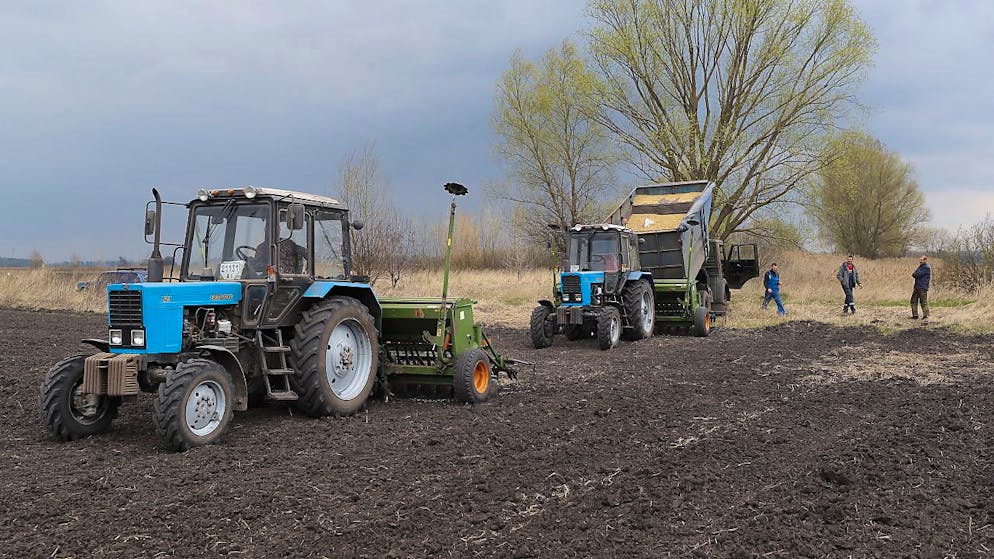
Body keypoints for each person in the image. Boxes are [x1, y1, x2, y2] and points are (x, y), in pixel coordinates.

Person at [910, 255, 931, 320]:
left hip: (922, 287)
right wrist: (915, 274)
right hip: (917, 287)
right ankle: (915, 315)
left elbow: (916, 274)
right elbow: (914, 274)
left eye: (921, 260)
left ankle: (926, 316)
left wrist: (915, 274)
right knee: (913, 300)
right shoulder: (920, 267)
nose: (920, 261)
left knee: (923, 302)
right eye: (920, 260)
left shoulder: (926, 268)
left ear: (925, 260)